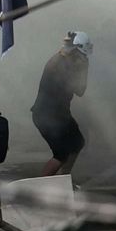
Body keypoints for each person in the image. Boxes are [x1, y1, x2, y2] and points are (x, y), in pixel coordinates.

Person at [31, 31, 90, 177]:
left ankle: (65, 178)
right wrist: (84, 69)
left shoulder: (63, 60)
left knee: (78, 142)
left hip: (60, 114)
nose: (84, 57)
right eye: (82, 53)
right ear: (76, 50)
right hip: (47, 116)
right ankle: (42, 186)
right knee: (61, 153)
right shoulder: (61, 64)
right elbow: (80, 90)